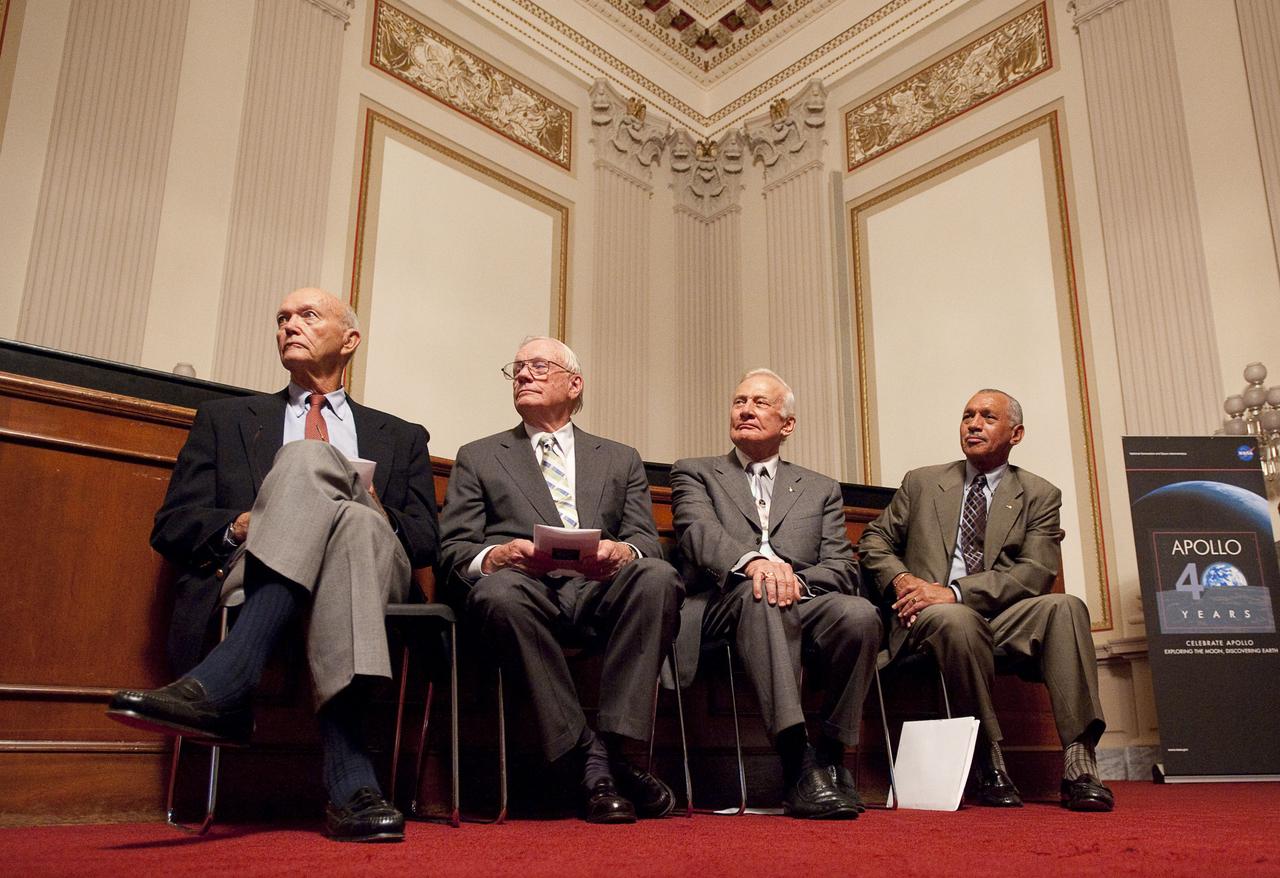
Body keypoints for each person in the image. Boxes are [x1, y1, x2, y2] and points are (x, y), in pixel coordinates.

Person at [107, 288, 439, 841]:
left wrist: (370, 501)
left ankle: (229, 680)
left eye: (308, 316)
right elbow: (173, 525)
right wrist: (245, 523)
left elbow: (425, 539)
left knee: (352, 511)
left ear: (350, 340)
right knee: (331, 500)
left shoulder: (401, 436)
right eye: (282, 318)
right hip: (247, 561)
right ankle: (352, 776)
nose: (289, 325)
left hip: (379, 571)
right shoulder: (225, 419)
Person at [439, 336, 683, 823]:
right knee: (499, 593)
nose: (524, 375)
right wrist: (498, 556)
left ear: (575, 385)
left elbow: (646, 541)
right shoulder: (480, 456)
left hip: (601, 591)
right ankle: (597, 759)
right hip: (525, 590)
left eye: (537, 366)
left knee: (657, 576)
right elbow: (453, 552)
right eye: (517, 369)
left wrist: (621, 551)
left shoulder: (620, 457)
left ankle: (608, 747)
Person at [858, 388, 1112, 812]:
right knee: (955, 618)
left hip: (1000, 619)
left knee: (1065, 607)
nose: (973, 424)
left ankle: (1079, 762)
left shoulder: (1039, 494)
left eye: (987, 417)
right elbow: (874, 540)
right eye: (967, 415)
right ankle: (987, 759)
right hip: (929, 621)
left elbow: (1036, 572)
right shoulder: (922, 482)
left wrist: (957, 591)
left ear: (1016, 434)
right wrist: (903, 579)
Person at [670, 369, 881, 819]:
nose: (745, 409)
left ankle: (830, 754)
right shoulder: (695, 472)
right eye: (739, 401)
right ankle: (796, 761)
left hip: (802, 599)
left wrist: (797, 581)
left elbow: (842, 566)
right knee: (761, 594)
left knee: (859, 615)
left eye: (759, 403)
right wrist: (756, 565)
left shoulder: (820, 488)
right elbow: (697, 534)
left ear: (787, 425)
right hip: (724, 601)